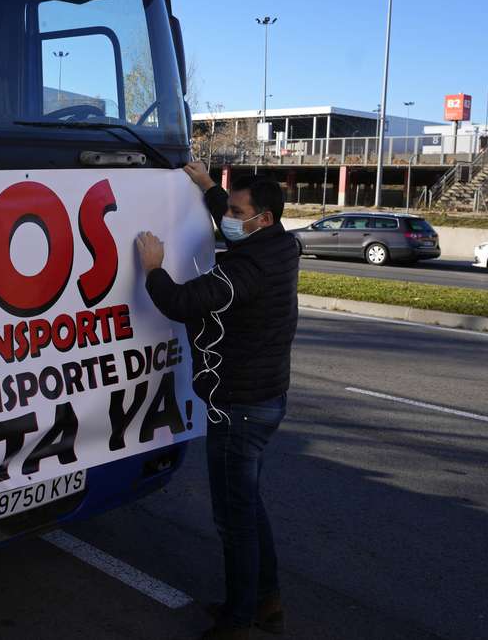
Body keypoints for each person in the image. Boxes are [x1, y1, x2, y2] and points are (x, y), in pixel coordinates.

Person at [135, 162, 299, 640]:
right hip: (267, 398)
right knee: (249, 507)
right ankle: (267, 603)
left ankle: (239, 619)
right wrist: (209, 186)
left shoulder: (244, 271)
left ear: (261, 219)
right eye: (228, 207)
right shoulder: (281, 244)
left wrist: (152, 268)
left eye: (236, 211)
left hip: (239, 406)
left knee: (234, 521)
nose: (227, 216)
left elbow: (182, 302)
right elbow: (228, 212)